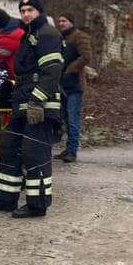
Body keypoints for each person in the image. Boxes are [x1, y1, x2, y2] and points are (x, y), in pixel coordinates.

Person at [0, 0, 64, 219]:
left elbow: (51, 72)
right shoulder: (28, 36)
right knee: (9, 147)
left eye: (30, 10)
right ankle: (6, 199)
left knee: (35, 153)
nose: (26, 14)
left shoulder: (48, 35)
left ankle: (37, 205)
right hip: (23, 100)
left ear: (40, 12)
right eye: (23, 11)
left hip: (39, 104)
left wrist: (36, 100)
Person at [55, 13, 92, 163]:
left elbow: (86, 56)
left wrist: (70, 69)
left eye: (64, 21)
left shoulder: (80, 36)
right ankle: (68, 149)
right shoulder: (60, 38)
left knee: (73, 119)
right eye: (59, 21)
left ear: (71, 22)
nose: (61, 23)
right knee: (64, 118)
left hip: (74, 85)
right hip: (62, 83)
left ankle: (72, 151)